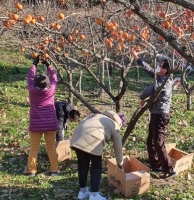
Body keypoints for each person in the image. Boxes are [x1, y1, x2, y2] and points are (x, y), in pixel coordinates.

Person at [130, 49, 177, 179]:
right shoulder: (161, 76)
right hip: (156, 114)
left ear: (165, 70)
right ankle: (155, 164)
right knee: (150, 140)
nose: (158, 66)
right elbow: (150, 70)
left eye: (160, 66)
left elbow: (151, 89)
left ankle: (169, 169)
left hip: (160, 115)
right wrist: (137, 59)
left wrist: (141, 97)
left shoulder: (164, 82)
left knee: (158, 142)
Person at [70, 110, 126, 200]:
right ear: (120, 122)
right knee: (96, 166)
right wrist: (120, 164)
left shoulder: (96, 115)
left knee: (83, 164)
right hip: (93, 140)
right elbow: (118, 148)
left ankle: (83, 191)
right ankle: (94, 195)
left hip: (77, 138)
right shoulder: (114, 124)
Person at [26, 56, 59, 177]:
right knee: (51, 147)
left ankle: (32, 171)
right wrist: (48, 65)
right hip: (51, 124)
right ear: (48, 84)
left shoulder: (32, 90)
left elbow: (30, 78)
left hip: (35, 124)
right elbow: (55, 78)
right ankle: (54, 170)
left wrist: (34, 64)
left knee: (34, 148)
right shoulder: (51, 90)